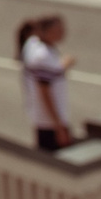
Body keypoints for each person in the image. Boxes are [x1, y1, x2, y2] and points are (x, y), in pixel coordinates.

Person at [18, 13, 77, 150]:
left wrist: (64, 65)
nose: (63, 32)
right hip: (49, 122)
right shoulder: (43, 56)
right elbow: (44, 92)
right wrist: (59, 126)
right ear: (46, 32)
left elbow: (51, 72)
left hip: (45, 120)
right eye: (59, 30)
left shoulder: (33, 44)